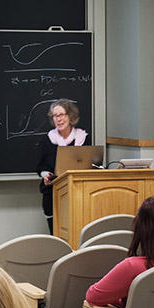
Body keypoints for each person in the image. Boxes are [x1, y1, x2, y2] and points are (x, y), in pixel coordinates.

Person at [36, 98, 90, 230]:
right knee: (56, 233)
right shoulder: (47, 140)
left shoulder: (83, 138)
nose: (58, 119)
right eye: (55, 116)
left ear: (70, 116)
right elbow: (40, 167)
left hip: (78, 192)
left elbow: (90, 164)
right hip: (52, 191)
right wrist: (45, 175)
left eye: (61, 115)